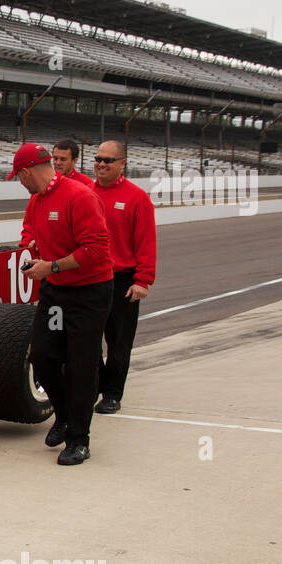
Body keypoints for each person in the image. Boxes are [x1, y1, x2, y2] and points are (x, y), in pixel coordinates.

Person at [11, 142, 112, 466]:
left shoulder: (78, 196)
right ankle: (65, 415)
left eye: (19, 177)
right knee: (43, 356)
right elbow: (30, 233)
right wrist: (30, 247)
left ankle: (79, 440)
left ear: (27, 172)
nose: (19, 182)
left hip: (89, 292)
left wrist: (51, 266)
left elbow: (96, 250)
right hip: (56, 293)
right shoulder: (37, 201)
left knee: (81, 365)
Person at [91, 141, 157, 414]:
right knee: (86, 338)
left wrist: (143, 280)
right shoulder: (83, 193)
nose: (102, 164)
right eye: (98, 159)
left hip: (122, 280)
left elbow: (146, 242)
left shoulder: (136, 197)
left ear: (122, 164)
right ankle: (95, 384)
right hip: (91, 278)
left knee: (119, 342)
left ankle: (112, 394)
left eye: (109, 160)